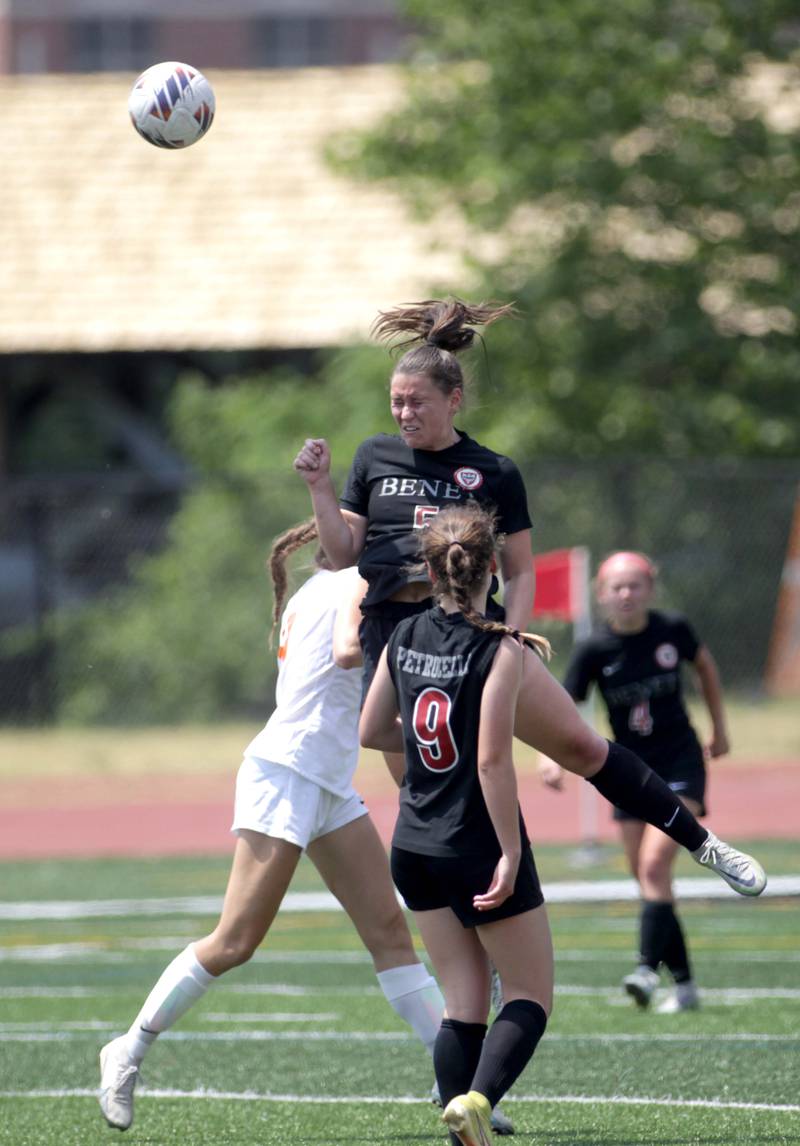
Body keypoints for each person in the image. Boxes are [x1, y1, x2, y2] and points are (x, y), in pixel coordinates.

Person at [293, 297, 767, 901]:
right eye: (397, 401)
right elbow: (339, 556)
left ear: (453, 399)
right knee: (434, 797)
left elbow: (519, 573)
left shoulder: (492, 470)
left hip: (475, 636)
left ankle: (702, 842)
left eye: (417, 401)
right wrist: (318, 487)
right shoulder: (373, 456)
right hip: (398, 641)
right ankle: (482, 940)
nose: (404, 412)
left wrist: (510, 641)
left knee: (581, 747)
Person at [97, 521, 448, 1132]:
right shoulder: (352, 584)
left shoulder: (341, 584)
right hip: (287, 771)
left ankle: (461, 1083)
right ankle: (127, 1050)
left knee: (391, 931)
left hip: (327, 781)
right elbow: (349, 652)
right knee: (235, 942)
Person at [360, 502, 553, 1146]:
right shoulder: (501, 646)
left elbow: (370, 729)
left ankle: (458, 1123)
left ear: (431, 567)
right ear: (490, 567)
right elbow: (493, 760)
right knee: (528, 993)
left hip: (412, 842)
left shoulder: (404, 634)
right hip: (471, 841)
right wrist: (509, 853)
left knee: (463, 1000)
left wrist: (424, 750)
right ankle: (476, 1101)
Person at [559, 550, 734, 1013]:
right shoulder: (595, 649)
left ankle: (643, 970)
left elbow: (707, 668)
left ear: (650, 589)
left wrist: (720, 727)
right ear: (602, 594)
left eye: (635, 585)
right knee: (648, 879)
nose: (626, 594)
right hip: (629, 773)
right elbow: (560, 705)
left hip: (680, 765)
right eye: (616, 586)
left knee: (655, 869)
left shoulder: (672, 630)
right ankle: (687, 986)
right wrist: (549, 757)